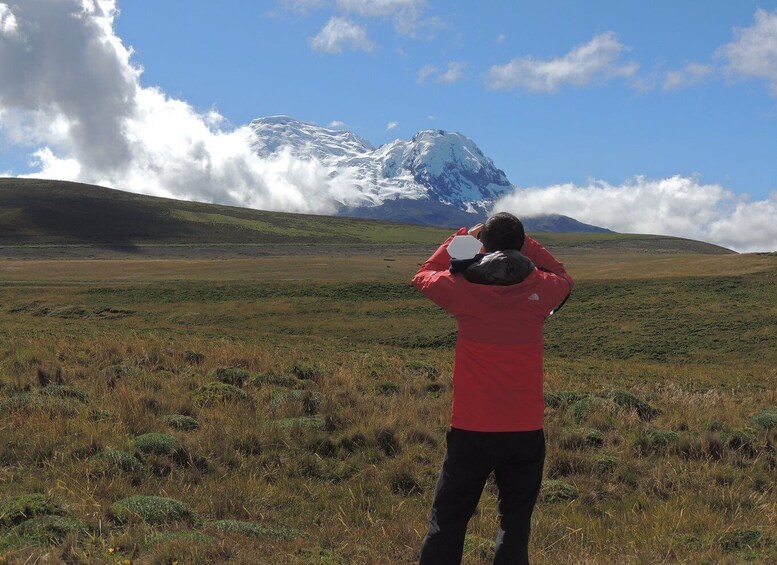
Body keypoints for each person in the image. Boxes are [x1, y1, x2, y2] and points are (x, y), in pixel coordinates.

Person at [411, 212, 574, 565]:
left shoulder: (462, 289)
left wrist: (461, 237)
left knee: (449, 521)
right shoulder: (542, 289)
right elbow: (564, 277)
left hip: (472, 428)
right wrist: (524, 242)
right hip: (525, 430)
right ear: (522, 245)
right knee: (515, 525)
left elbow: (423, 275)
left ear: (483, 245)